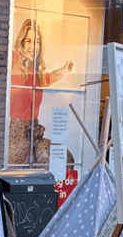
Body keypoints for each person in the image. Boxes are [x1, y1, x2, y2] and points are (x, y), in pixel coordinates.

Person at [8, 18, 74, 164]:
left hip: (34, 131)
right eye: (29, 41)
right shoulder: (14, 59)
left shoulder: (35, 72)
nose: (33, 46)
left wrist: (65, 69)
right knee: (16, 172)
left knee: (65, 159)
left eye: (37, 41)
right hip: (17, 134)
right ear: (22, 42)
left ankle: (56, 186)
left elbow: (49, 78)